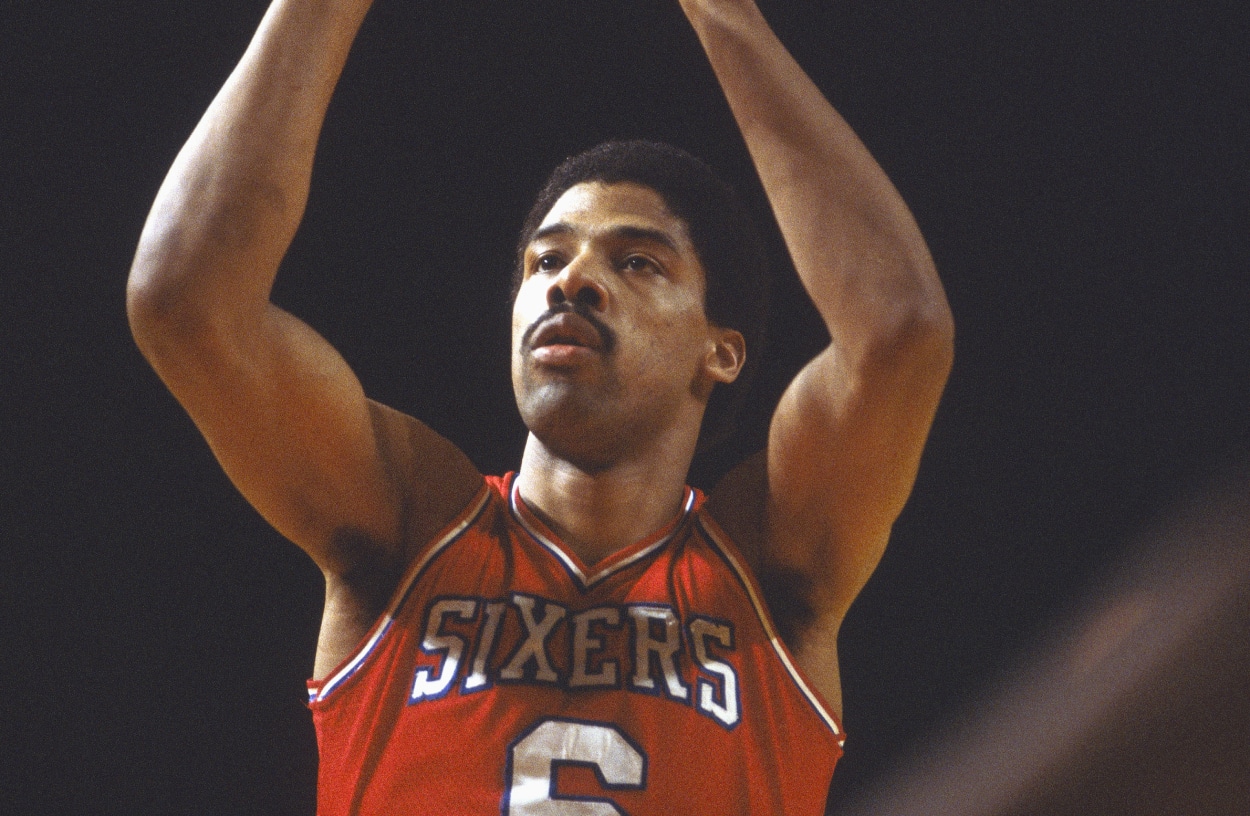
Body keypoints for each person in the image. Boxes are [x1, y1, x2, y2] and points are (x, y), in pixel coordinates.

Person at [127, 1, 953, 814]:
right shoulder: (412, 520)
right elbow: (185, 298)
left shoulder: (771, 561)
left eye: (636, 262)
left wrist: (721, 13)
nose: (571, 279)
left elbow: (899, 332)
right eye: (545, 259)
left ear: (721, 349)